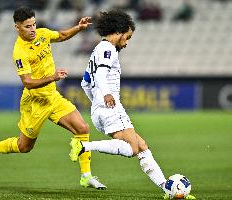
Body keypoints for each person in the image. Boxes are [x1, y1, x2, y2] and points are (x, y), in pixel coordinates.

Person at [0, 6, 106, 190]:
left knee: (82, 128)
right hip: (34, 103)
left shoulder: (43, 34)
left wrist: (78, 28)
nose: (32, 29)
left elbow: (60, 36)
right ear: (17, 27)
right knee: (24, 147)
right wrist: (53, 77)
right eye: (28, 26)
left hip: (52, 97)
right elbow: (27, 82)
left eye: (34, 24)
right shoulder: (19, 52)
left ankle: (86, 176)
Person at [69, 10, 196, 199]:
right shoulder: (108, 49)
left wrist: (96, 102)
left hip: (100, 109)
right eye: (127, 37)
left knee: (142, 147)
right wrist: (107, 95)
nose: (127, 42)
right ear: (119, 31)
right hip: (110, 108)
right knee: (133, 149)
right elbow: (101, 75)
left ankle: (167, 190)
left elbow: (85, 82)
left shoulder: (97, 50)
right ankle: (84, 146)